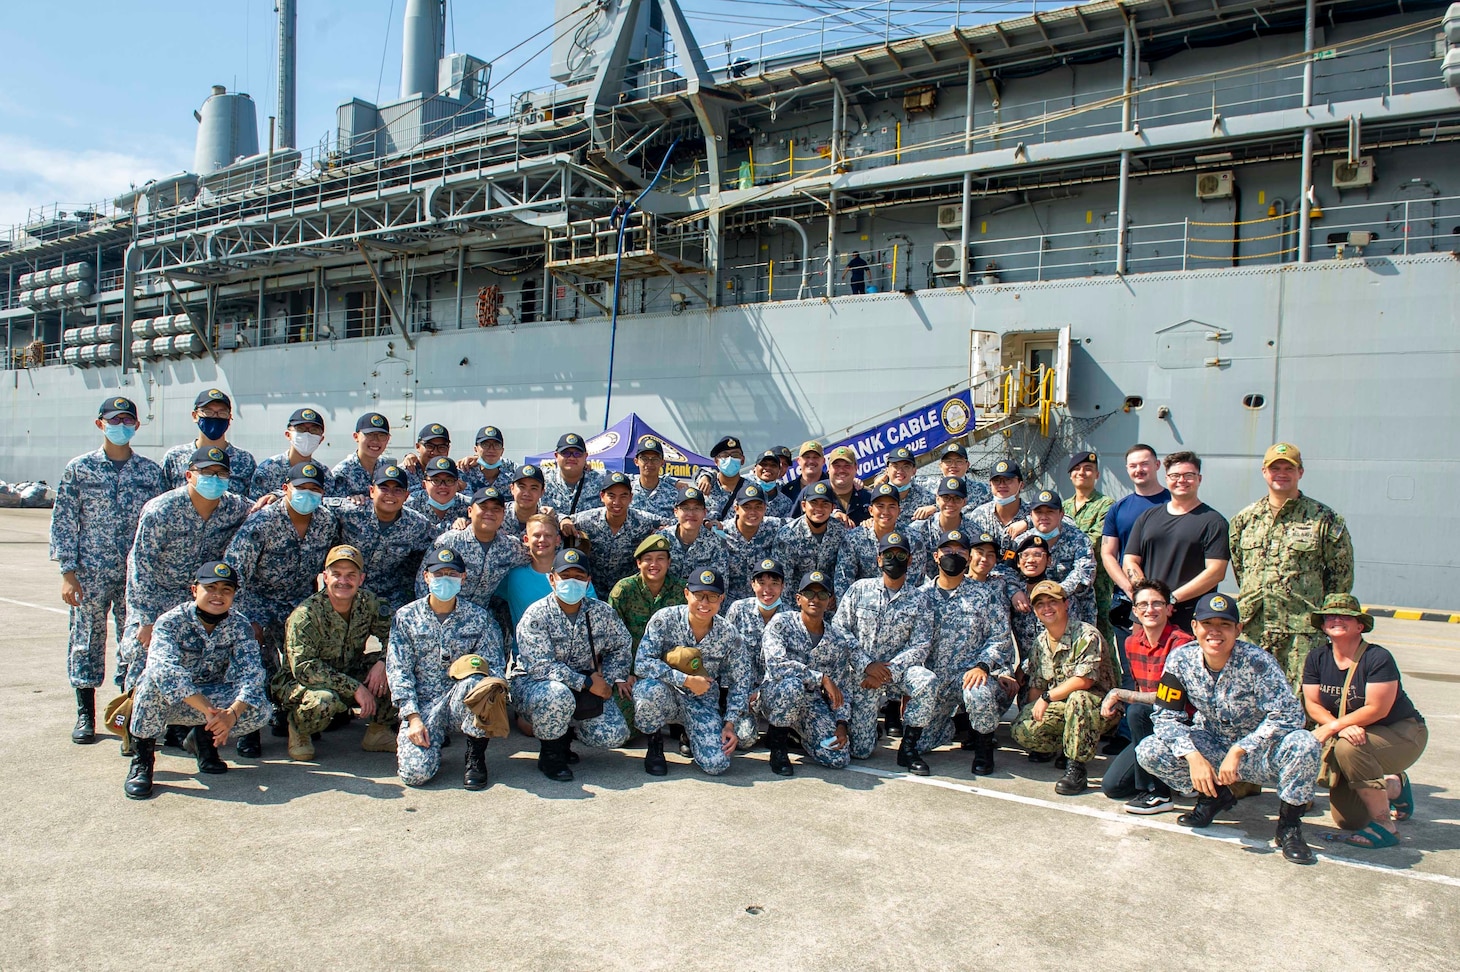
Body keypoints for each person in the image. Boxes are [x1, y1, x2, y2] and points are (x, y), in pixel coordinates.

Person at [1136, 591, 1322, 865]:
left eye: (1224, 625)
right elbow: (1165, 717)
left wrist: (1240, 749)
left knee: (1305, 744)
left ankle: (1289, 826)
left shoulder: (1258, 662)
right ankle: (1213, 797)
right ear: (1195, 627)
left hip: (1259, 753)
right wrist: (1192, 756)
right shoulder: (1180, 660)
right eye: (1208, 624)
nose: (1215, 632)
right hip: (1212, 746)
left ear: (1238, 629)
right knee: (1149, 750)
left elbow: (1290, 715)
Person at [50, 396, 166, 743]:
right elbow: (65, 521)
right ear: (100, 424)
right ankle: (85, 713)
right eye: (113, 421)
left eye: (127, 421)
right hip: (91, 572)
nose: (121, 427)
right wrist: (67, 572)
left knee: (134, 645)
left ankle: (125, 708)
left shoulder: (150, 472)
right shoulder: (79, 469)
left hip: (136, 576)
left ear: (136, 426)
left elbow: (159, 525)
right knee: (85, 641)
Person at [122, 562, 271, 799]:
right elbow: (165, 671)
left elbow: (252, 673)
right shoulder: (170, 622)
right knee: (151, 682)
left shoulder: (240, 625)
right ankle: (142, 763)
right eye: (210, 587)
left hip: (211, 701)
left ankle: (203, 743)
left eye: (226, 590)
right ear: (194, 590)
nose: (218, 595)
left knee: (260, 708)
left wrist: (231, 713)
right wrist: (210, 712)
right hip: (172, 702)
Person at [224, 460, 341, 756]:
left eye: (315, 490)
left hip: (298, 601)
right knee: (256, 662)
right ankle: (249, 729)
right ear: (286, 488)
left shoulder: (326, 522)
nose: (308, 495)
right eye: (301, 488)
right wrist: (241, 620)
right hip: (258, 601)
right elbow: (235, 571)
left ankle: (290, 714)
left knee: (297, 662)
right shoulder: (262, 522)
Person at [119, 447, 251, 695]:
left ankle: (189, 726)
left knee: (204, 661)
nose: (214, 478)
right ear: (189, 475)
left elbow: (273, 506)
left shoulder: (236, 507)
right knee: (144, 659)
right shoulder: (161, 510)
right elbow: (140, 567)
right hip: (160, 599)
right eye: (206, 472)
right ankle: (134, 720)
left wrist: (276, 494)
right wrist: (146, 620)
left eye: (221, 473)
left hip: (205, 599)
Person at [1301, 594, 1426, 849]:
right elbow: (1312, 704)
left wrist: (1336, 727)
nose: (1336, 619)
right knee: (1350, 819)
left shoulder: (1377, 658)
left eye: (1345, 616)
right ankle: (1395, 786)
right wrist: (1343, 727)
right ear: (1323, 625)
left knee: (1350, 747)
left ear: (1360, 626)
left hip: (1401, 732)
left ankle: (1384, 825)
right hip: (1355, 734)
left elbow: (1378, 708)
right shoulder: (1317, 658)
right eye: (1330, 616)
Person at [1230, 442, 1355, 688]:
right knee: (1250, 696)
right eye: (1275, 468)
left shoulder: (1324, 519)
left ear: (1301, 473)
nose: (1282, 473)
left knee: (1302, 702)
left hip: (1302, 631)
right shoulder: (1245, 519)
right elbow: (1241, 569)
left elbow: (1341, 577)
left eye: (1289, 468)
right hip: (1254, 628)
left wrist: (1326, 620)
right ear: (1264, 472)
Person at [388, 546, 506, 790]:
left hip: (460, 700)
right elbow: (399, 670)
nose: (445, 579)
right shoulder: (406, 617)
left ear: (463, 578)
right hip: (423, 706)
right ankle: (432, 741)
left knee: (481, 684)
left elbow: (495, 667)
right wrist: (413, 718)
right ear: (426, 577)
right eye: (439, 574)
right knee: (415, 774)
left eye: (452, 574)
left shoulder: (479, 618)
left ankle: (475, 757)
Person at [513, 548, 633, 781]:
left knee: (614, 734)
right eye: (565, 576)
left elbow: (621, 645)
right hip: (536, 686)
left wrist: (608, 680)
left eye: (579, 577)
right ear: (552, 579)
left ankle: (564, 737)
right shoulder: (536, 615)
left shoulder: (601, 612)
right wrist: (586, 682)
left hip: (584, 686)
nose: (572, 582)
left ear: (588, 581)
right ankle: (551, 755)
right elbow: (540, 667)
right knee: (558, 694)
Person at [272, 545, 396, 761]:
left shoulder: (369, 603)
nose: (343, 581)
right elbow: (305, 669)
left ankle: (378, 731)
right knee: (323, 700)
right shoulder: (306, 615)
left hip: (348, 669)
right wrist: (355, 687)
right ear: (324, 577)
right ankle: (299, 729)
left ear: (361, 578)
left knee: (397, 672)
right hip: (303, 683)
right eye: (336, 574)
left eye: (351, 575)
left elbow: (397, 637)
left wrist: (383, 662)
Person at [634, 568, 753, 776]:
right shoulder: (665, 619)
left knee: (717, 764)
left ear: (722, 599)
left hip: (702, 700)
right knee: (647, 690)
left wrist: (730, 723)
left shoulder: (729, 634)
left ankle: (689, 735)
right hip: (667, 695)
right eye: (699, 595)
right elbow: (642, 663)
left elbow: (740, 680)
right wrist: (685, 680)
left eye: (712, 597)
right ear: (687, 593)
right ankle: (654, 746)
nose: (705, 603)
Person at [835, 531, 937, 773]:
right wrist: (866, 665)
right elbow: (840, 629)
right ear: (879, 559)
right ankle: (868, 729)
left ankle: (908, 748)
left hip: (896, 673)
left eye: (901, 554)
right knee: (860, 751)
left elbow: (921, 645)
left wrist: (885, 672)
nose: (894, 558)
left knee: (927, 681)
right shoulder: (859, 589)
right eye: (888, 554)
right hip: (864, 677)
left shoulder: (920, 599)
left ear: (910, 560)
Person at [918, 529, 1015, 776]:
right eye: (948, 550)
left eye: (960, 551)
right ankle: (958, 724)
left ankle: (983, 749)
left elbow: (1000, 638)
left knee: (978, 692)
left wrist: (983, 665)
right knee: (921, 743)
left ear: (968, 557)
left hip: (970, 677)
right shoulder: (920, 597)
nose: (954, 555)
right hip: (937, 685)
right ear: (936, 556)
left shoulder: (985, 595)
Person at [1010, 581, 1118, 795]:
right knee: (1021, 729)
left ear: (1066, 604)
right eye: (1040, 604)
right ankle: (1062, 746)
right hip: (1063, 708)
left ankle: (1076, 768)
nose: (1047, 608)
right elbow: (1037, 684)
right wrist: (1031, 714)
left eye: (1053, 602)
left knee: (1079, 697)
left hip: (1100, 709)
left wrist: (1047, 698)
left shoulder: (1086, 634)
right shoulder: (1040, 642)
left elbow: (1084, 680)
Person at [1099, 579, 1193, 812]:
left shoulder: (1183, 645)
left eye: (1157, 604)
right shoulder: (1132, 643)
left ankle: (1156, 793)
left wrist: (1119, 694)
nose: (1149, 610)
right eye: (1143, 605)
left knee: (1139, 710)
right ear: (1135, 611)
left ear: (1169, 608)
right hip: (1155, 727)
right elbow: (1141, 691)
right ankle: (1175, 776)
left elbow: (1169, 698)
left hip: (1184, 727)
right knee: (1114, 787)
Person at [760, 571, 856, 775]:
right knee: (792, 686)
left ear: (830, 601)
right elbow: (777, 665)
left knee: (838, 756)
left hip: (810, 702)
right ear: (798, 599)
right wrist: (820, 678)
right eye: (809, 594)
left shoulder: (837, 640)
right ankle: (778, 748)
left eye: (822, 595)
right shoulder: (781, 624)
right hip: (775, 695)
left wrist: (841, 723)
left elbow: (842, 687)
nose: (815, 599)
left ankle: (798, 733)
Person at [1122, 451, 1230, 631]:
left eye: (1189, 475)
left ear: (1199, 479)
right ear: (1166, 478)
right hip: (1146, 615)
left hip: (1189, 617)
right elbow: (1130, 560)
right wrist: (1148, 597)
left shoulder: (1213, 522)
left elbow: (1216, 572)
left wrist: (1170, 599)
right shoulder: (1148, 517)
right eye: (1175, 475)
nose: (1181, 480)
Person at [333, 463, 436, 612]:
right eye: (384, 488)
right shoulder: (350, 512)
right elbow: (315, 504)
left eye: (398, 490)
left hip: (389, 596)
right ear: (371, 491)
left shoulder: (417, 524)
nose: (390, 494)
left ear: (406, 496)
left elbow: (440, 541)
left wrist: (462, 522)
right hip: (347, 589)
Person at [1100, 444, 1170, 642]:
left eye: (1144, 464)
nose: (1139, 470)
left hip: (1168, 600)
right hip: (1127, 600)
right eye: (1133, 466)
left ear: (1157, 465)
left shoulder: (1173, 504)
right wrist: (1129, 589)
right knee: (1132, 667)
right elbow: (1108, 554)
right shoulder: (1119, 509)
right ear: (1127, 469)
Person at [562, 471, 669, 593]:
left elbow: (673, 523)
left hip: (627, 594)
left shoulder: (642, 520)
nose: (617, 502)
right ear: (602, 496)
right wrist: (563, 520)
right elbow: (558, 519)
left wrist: (662, 532)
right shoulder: (588, 520)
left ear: (631, 497)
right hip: (591, 591)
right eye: (611, 496)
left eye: (623, 496)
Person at [427, 486, 531, 610]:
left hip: (481, 620)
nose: (489, 513)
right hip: (445, 614)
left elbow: (538, 559)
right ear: (470, 511)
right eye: (483, 507)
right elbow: (424, 583)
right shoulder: (449, 542)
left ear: (503, 514)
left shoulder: (511, 547)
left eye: (496, 509)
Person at [502, 513, 598, 627]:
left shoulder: (574, 577)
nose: (542, 540)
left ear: (557, 540)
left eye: (548, 535)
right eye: (536, 535)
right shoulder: (512, 576)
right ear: (526, 539)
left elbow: (594, 613)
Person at [160, 388, 256, 495]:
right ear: (195, 416)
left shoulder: (245, 460)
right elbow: (161, 497)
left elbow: (253, 504)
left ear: (229, 417)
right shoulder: (175, 457)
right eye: (208, 412)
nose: (215, 417)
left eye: (222, 413)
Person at [1063, 451, 1115, 646]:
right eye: (1076, 469)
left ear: (1097, 475)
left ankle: (1110, 675)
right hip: (1067, 578)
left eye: (1088, 469)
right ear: (1070, 475)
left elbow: (1095, 540)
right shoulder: (1062, 506)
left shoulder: (1106, 505)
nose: (1082, 473)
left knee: (1101, 630)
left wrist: (1063, 545)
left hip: (1097, 580)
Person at [835, 483, 919, 597]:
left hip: (903, 606)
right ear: (870, 510)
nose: (886, 511)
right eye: (880, 506)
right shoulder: (854, 539)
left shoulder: (913, 539)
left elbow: (916, 582)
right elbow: (843, 583)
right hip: (864, 606)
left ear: (899, 511)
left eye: (892, 506)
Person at [725, 558, 787, 702]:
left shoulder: (790, 617)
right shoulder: (738, 609)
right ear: (752, 584)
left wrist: (761, 691)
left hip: (773, 691)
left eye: (774, 584)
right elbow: (725, 653)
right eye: (762, 583)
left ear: (783, 586)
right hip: (740, 690)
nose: (767, 590)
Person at [772, 481, 848, 593]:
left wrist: (834, 597)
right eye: (814, 503)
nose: (819, 508)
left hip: (830, 599)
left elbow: (844, 573)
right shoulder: (787, 536)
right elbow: (783, 581)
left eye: (825, 504)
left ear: (833, 508)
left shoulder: (841, 532)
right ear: (803, 506)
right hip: (797, 601)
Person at [964, 459, 1032, 578]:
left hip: (1024, 582)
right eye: (996, 481)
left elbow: (1061, 520)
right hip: (987, 584)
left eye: (1008, 480)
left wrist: (1029, 522)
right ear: (990, 485)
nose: (1002, 485)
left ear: (1021, 484)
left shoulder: (1033, 512)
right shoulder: (979, 515)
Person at [719, 483, 783, 603]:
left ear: (765, 508)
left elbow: (799, 525)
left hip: (765, 602)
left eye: (758, 507)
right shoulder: (722, 532)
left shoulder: (775, 527)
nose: (753, 512)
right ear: (736, 508)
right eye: (747, 507)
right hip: (729, 604)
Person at [248, 407, 327, 500]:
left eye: (314, 430)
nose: (307, 434)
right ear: (288, 435)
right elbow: (256, 506)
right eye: (300, 429)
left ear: (321, 439)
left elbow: (330, 506)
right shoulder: (268, 469)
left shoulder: (324, 473)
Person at [654, 486, 729, 581]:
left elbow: (720, 583)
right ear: (676, 512)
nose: (691, 513)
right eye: (685, 508)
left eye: (697, 508)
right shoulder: (662, 539)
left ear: (705, 513)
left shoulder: (717, 542)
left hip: (701, 595)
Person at [908, 476, 973, 582]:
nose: (951, 503)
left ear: (964, 502)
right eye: (946, 498)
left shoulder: (974, 532)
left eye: (957, 499)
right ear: (937, 499)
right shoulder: (918, 530)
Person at [913, 443, 993, 514]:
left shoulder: (984, 490)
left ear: (967, 465)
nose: (953, 465)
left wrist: (936, 508)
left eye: (959, 461)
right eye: (948, 461)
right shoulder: (926, 488)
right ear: (940, 466)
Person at [330, 412, 395, 497]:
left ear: (388, 439)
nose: (375, 440)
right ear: (356, 436)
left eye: (381, 435)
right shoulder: (342, 473)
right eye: (369, 435)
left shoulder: (386, 467)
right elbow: (330, 504)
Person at [405, 456, 471, 537]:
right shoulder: (410, 506)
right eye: (436, 480)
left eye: (449, 480)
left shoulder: (471, 506)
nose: (443, 486)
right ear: (424, 484)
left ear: (457, 484)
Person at [542, 432, 605, 514]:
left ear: (585, 456)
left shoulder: (601, 479)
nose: (571, 458)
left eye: (577, 454)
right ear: (556, 456)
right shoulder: (543, 479)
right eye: (566, 453)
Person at [630, 436, 683, 518]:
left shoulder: (674, 494)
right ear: (636, 461)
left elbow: (681, 521)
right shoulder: (627, 491)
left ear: (662, 462)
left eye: (655, 459)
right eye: (644, 459)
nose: (650, 464)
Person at [882, 447, 936, 528]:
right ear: (887, 470)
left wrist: (935, 508)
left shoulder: (926, 497)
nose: (900, 471)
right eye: (895, 466)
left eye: (906, 466)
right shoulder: (877, 497)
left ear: (914, 471)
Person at [456, 425, 517, 493]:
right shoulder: (464, 473)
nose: (491, 449)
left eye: (496, 445)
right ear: (476, 449)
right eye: (485, 445)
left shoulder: (512, 476)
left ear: (502, 451)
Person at [700, 436, 748, 520]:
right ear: (716, 461)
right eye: (724, 455)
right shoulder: (706, 485)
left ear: (742, 460)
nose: (730, 459)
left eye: (735, 455)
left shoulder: (751, 488)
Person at [824, 446, 872, 525]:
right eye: (837, 466)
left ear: (856, 468)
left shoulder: (869, 497)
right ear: (828, 468)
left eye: (847, 466)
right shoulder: (817, 495)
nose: (842, 470)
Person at [398, 422, 453, 491]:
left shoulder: (456, 475)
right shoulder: (403, 473)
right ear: (418, 447)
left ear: (448, 449)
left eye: (442, 447)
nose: (435, 452)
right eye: (429, 446)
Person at [779, 441, 827, 518]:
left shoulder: (832, 486)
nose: (811, 461)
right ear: (799, 461)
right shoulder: (787, 490)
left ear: (823, 461)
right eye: (807, 457)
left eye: (815, 457)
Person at [503, 464, 553, 536]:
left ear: (542, 492)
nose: (526, 493)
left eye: (533, 488)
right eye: (522, 487)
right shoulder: (498, 513)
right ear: (512, 488)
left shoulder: (548, 520)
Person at [749, 450, 794, 519]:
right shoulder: (742, 490)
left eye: (773, 465)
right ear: (755, 468)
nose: (768, 468)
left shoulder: (786, 502)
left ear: (779, 471)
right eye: (764, 464)